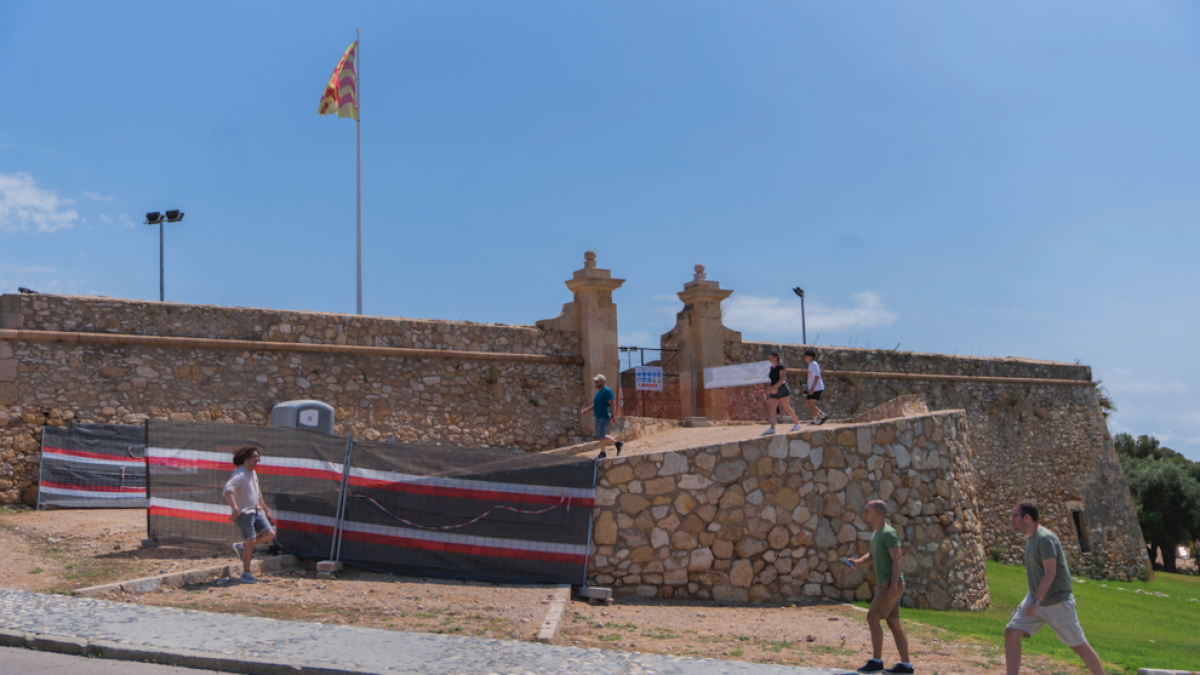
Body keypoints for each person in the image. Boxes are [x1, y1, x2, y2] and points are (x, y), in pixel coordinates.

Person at [1005, 501, 1106, 675]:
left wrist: (1035, 601)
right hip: (1036, 599)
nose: (1012, 520)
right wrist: (1034, 599)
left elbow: (1050, 572)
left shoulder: (1045, 539)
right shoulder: (1031, 538)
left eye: (1015, 516)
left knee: (1079, 646)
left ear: (1026, 517)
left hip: (1057, 602)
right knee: (1011, 632)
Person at [848, 500, 913, 674]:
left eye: (867, 511)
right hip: (886, 584)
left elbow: (897, 558)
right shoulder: (876, 534)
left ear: (877, 514)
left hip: (890, 584)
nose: (864, 514)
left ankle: (876, 662)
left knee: (872, 617)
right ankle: (906, 666)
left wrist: (893, 586)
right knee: (894, 623)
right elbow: (872, 555)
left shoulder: (889, 533)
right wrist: (856, 562)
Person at [223, 445, 275, 584]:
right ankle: (246, 573)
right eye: (254, 456)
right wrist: (235, 509)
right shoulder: (239, 474)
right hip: (245, 514)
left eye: (257, 456)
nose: (257, 459)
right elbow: (227, 490)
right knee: (251, 541)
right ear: (246, 458)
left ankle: (242, 546)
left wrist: (266, 509)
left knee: (270, 534)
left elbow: (258, 495)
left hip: (257, 511)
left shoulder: (253, 473)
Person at [579, 374, 623, 459]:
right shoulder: (598, 392)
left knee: (601, 435)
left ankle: (603, 453)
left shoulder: (607, 391)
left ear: (602, 381)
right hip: (598, 417)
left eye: (597, 381)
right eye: (595, 382)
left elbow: (612, 403)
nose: (595, 383)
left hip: (604, 416)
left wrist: (612, 416)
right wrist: (587, 410)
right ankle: (617, 443)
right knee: (600, 435)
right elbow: (596, 405)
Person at [762, 351, 803, 435]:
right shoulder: (771, 368)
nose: (770, 360)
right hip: (774, 390)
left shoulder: (781, 367)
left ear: (776, 357)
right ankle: (772, 428)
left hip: (782, 389)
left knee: (786, 407)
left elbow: (782, 379)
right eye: (769, 358)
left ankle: (797, 423)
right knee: (773, 409)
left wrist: (773, 387)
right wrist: (772, 388)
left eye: (771, 358)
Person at [802, 348, 830, 425]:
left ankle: (815, 420)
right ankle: (823, 415)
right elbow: (810, 378)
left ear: (810, 357)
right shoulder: (810, 365)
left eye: (806, 356)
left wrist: (812, 389)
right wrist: (807, 388)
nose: (804, 357)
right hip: (812, 388)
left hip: (816, 388)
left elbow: (817, 377)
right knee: (808, 404)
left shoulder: (814, 364)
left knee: (811, 404)